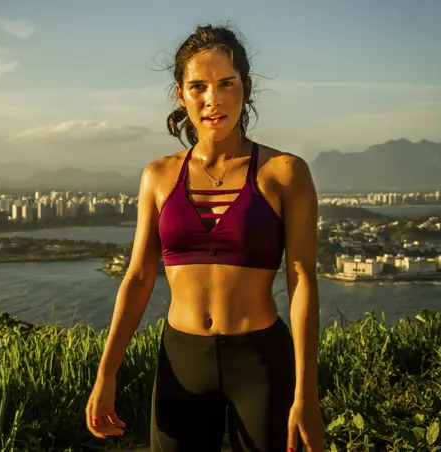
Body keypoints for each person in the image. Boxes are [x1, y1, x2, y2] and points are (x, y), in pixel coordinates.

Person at [85, 23, 325, 452]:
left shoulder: (285, 173)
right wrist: (107, 374)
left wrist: (306, 395)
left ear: (246, 88)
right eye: (198, 86)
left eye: (225, 84)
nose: (212, 100)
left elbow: (303, 280)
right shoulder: (158, 176)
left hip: (260, 361)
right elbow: (139, 277)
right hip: (181, 360)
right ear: (181, 94)